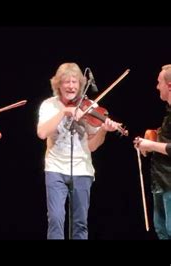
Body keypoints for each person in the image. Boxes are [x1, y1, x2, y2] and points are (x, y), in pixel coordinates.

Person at [36, 63, 120, 239]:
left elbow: (91, 146)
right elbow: (42, 133)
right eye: (66, 82)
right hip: (55, 169)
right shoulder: (49, 105)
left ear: (81, 84)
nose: (71, 86)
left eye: (75, 82)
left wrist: (104, 129)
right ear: (58, 84)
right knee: (56, 219)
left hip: (82, 170)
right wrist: (64, 112)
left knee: (80, 223)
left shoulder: (89, 106)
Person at [134, 64, 171, 239]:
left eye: (159, 82)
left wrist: (150, 145)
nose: (157, 87)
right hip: (161, 182)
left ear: (169, 85)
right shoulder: (168, 114)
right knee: (162, 231)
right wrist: (151, 138)